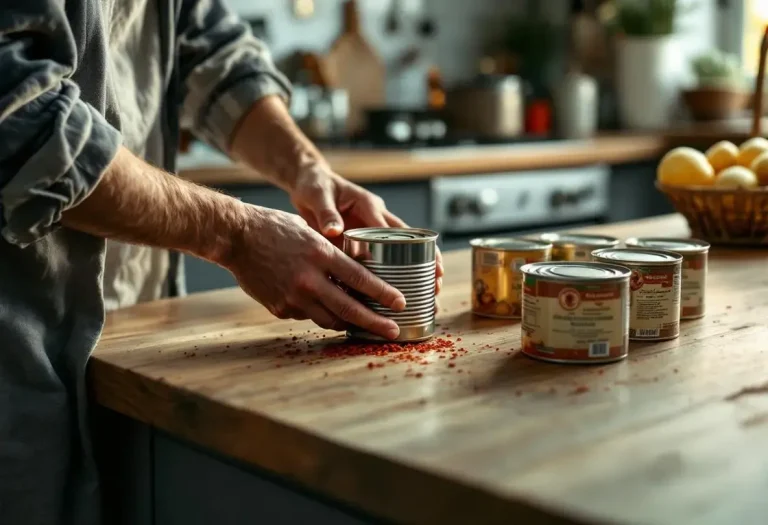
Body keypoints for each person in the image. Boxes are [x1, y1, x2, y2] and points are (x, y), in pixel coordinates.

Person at [0, 1, 443, 523]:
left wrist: (307, 169)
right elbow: (22, 119)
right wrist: (233, 235)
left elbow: (216, 55)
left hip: (130, 344)